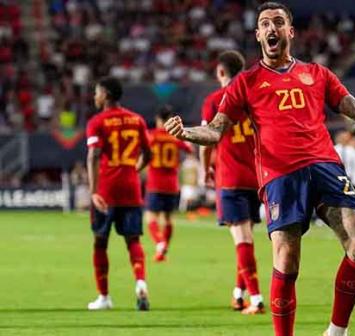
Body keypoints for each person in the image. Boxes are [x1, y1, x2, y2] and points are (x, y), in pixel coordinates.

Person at [163, 2, 355, 335]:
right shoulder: (245, 82)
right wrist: (185, 132)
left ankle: (336, 332)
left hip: (326, 165)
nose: (271, 28)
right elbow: (215, 130)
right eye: (264, 24)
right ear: (258, 35)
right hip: (281, 176)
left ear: (290, 31)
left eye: (278, 22)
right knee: (287, 262)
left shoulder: (317, 74)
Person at [201, 50, 265, 314]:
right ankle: (239, 294)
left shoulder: (215, 100)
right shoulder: (255, 98)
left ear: (220, 72)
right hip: (256, 176)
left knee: (242, 239)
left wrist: (205, 168)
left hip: (230, 177)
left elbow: (207, 137)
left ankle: (257, 299)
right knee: (245, 236)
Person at [85, 77, 152, 310]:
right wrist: (134, 170)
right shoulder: (137, 119)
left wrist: (93, 191)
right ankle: (141, 283)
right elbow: (149, 153)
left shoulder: (97, 122)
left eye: (97, 93)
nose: (95, 97)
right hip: (131, 188)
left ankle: (104, 297)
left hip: (106, 191)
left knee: (100, 243)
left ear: (105, 95)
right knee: (133, 240)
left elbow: (93, 155)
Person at [145, 106, 193, 262]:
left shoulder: (151, 135)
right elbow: (189, 149)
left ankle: (160, 243)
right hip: (171, 184)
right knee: (167, 218)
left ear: (159, 120)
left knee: (150, 216)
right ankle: (161, 252)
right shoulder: (175, 137)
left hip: (155, 182)